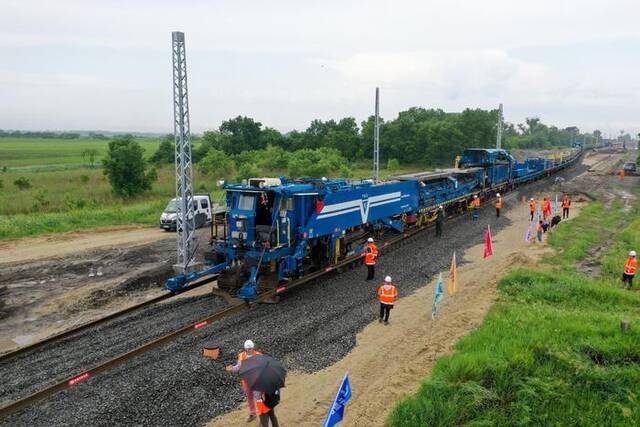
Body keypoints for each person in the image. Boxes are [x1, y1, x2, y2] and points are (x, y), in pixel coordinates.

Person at [225, 340, 262, 422]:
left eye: (251, 348)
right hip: (246, 381)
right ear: (245, 348)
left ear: (253, 347)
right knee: (249, 397)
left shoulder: (259, 355)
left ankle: (262, 415)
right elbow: (238, 368)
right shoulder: (241, 355)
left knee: (258, 397)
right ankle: (253, 413)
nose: (249, 350)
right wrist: (232, 369)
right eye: (248, 349)